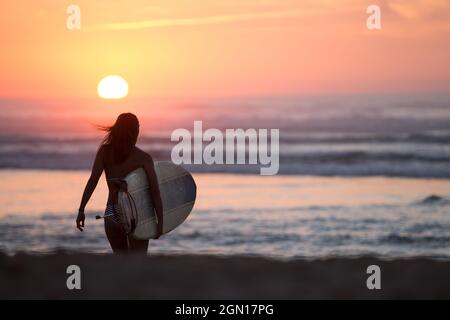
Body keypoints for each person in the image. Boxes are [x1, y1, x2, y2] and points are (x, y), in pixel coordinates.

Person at [77, 113, 163, 254]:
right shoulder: (143, 158)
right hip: (136, 214)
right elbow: (155, 192)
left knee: (120, 263)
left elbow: (93, 180)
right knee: (137, 263)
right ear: (136, 131)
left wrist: (81, 210)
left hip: (112, 212)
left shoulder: (105, 152)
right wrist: (160, 223)